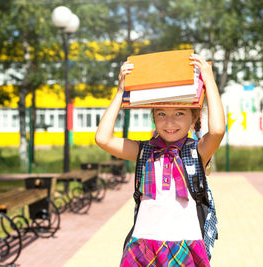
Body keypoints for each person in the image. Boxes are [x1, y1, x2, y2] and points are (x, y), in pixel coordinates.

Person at [95, 53, 225, 266]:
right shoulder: (143, 150)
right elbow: (103, 138)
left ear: (194, 118)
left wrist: (209, 80)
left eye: (180, 113)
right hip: (143, 243)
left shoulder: (197, 151)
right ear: (153, 118)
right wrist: (120, 91)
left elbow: (218, 130)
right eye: (161, 114)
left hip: (184, 243)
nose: (169, 122)